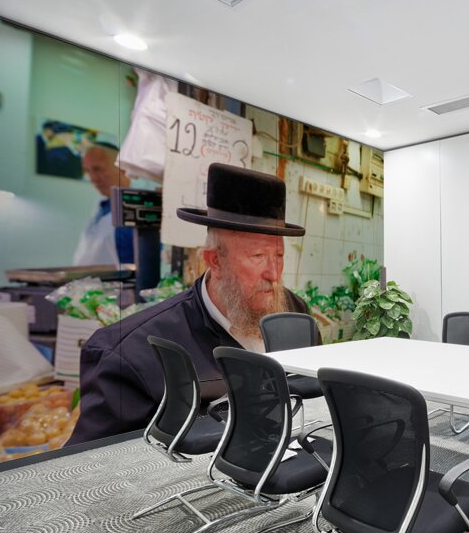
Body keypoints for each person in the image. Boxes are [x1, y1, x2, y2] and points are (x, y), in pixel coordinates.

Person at [67, 163, 312, 445]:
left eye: (279, 256)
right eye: (257, 256)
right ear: (214, 260)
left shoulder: (294, 312)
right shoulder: (129, 355)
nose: (273, 274)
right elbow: (92, 464)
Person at [72, 142, 135, 266]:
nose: (92, 179)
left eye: (97, 169)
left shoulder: (134, 211)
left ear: (122, 169)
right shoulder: (102, 206)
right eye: (87, 171)